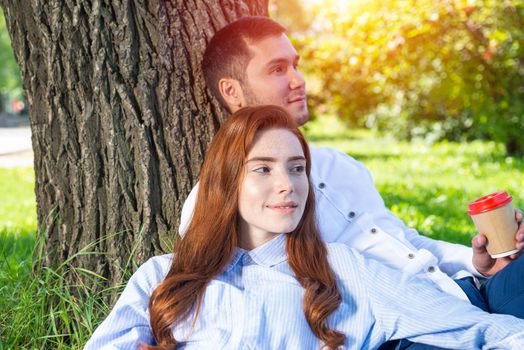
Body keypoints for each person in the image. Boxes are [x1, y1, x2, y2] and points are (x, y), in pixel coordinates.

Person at [179, 15, 524, 348]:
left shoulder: (341, 165)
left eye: (295, 65)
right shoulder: (217, 200)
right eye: (277, 69)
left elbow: (403, 239)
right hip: (403, 333)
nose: (298, 79)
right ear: (232, 91)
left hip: (462, 293)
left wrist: (477, 262)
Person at [85, 105, 524, 349]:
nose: (287, 186)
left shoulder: (341, 270)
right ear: (225, 182)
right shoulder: (161, 277)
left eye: (297, 169)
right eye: (262, 169)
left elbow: (470, 327)